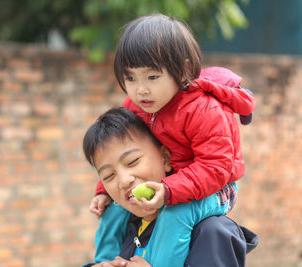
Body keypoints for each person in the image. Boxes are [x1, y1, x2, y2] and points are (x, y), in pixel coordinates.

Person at [90, 14, 255, 222]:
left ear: (183, 69)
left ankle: (154, 258)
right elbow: (115, 154)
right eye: (130, 78)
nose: (141, 90)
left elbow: (215, 168)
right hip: (170, 185)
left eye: (152, 77)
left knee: (174, 215)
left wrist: (169, 190)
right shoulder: (134, 106)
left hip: (218, 189)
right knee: (113, 213)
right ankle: (106, 256)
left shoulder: (202, 110)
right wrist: (103, 191)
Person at [82, 107, 257, 267]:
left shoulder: (211, 232)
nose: (124, 180)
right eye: (108, 176)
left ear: (165, 158)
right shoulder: (125, 225)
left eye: (132, 161)